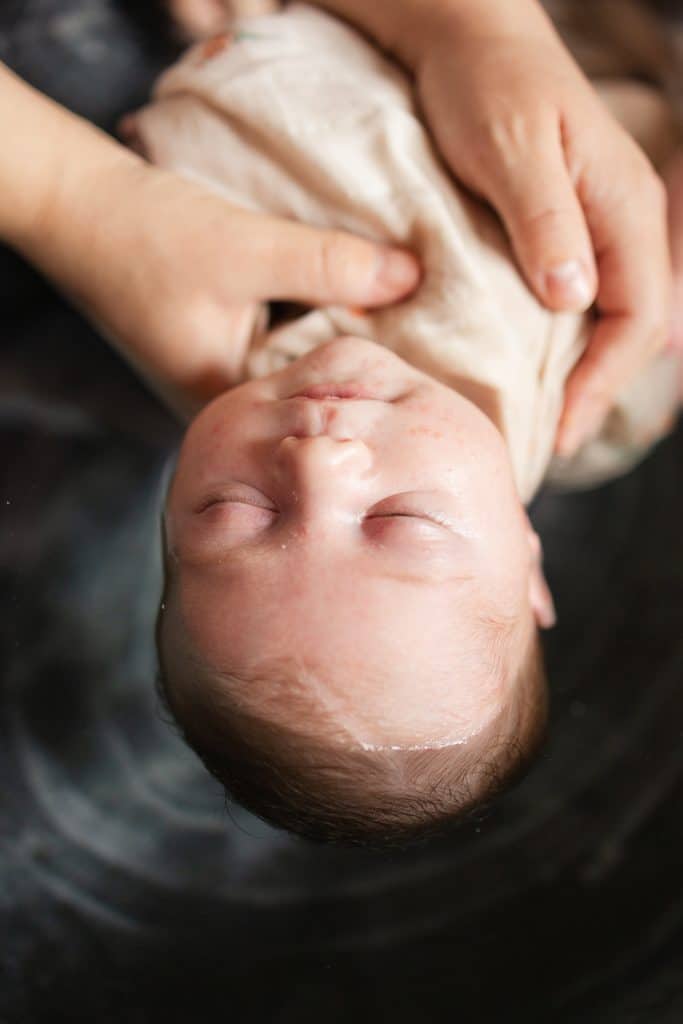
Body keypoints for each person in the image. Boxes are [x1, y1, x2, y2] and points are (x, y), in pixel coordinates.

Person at [139, 2, 682, 845]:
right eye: (401, 521)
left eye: (232, 512)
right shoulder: (609, 380)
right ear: (530, 560)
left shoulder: (192, 303)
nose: (318, 462)